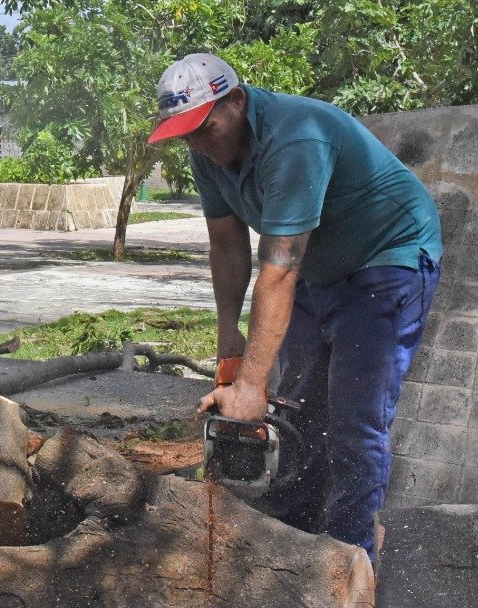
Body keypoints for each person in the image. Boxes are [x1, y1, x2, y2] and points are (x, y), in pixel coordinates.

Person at [148, 53, 442, 564]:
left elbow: (279, 268)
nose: (197, 143)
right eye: (186, 134)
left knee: (354, 419)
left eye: (205, 129)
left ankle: (349, 557)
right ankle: (295, 538)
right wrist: (230, 342)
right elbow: (226, 243)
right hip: (319, 264)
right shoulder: (206, 148)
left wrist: (251, 385)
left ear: (236, 101)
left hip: (387, 258)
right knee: (303, 406)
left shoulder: (296, 137)